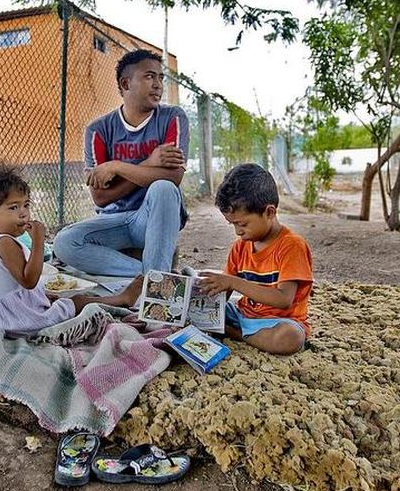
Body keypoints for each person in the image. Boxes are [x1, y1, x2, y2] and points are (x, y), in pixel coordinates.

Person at [53, 49, 190, 277]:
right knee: (65, 242)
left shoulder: (172, 117)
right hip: (113, 221)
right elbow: (101, 197)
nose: (158, 84)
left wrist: (116, 167)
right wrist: (150, 163)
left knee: (163, 188)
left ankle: (155, 286)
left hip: (153, 217)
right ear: (126, 84)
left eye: (160, 77)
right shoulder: (98, 130)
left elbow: (173, 177)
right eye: (149, 76)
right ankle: (153, 278)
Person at [0, 163, 141, 337]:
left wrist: (41, 296)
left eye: (26, 205)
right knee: (76, 302)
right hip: (18, 318)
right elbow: (28, 281)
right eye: (13, 207)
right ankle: (122, 299)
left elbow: (14, 286)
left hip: (2, 312)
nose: (24, 213)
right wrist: (38, 242)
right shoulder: (5, 243)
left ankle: (117, 298)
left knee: (60, 299)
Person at [197, 164, 312, 355]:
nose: (237, 231)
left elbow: (284, 299)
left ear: (269, 212)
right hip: (242, 314)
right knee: (197, 314)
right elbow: (224, 292)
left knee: (290, 338)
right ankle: (229, 327)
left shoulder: (292, 246)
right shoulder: (240, 247)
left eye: (242, 224)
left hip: (278, 322)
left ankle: (233, 333)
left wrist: (233, 282)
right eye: (232, 224)